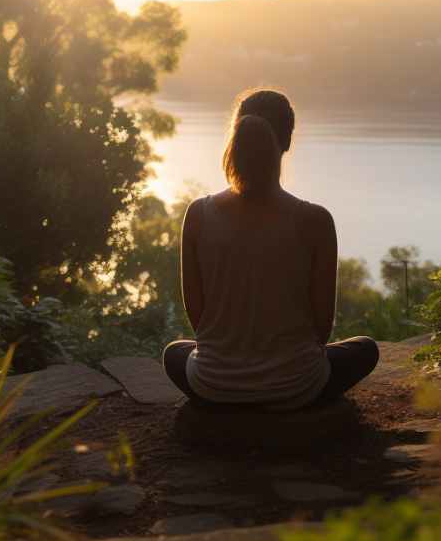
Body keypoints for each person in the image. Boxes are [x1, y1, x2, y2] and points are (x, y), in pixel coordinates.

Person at [162, 88, 379, 411]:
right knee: (365, 349)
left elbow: (199, 319)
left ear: (236, 137)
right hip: (297, 386)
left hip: (213, 384)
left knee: (174, 353)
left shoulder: (198, 214)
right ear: (287, 143)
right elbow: (321, 330)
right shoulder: (315, 220)